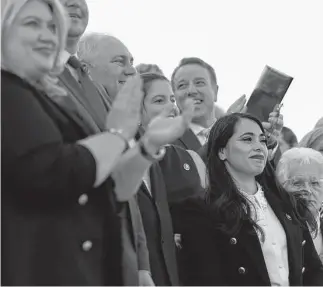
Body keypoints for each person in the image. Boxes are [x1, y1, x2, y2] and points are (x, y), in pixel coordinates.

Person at [1, 0, 195, 285]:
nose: (47, 35)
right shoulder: (7, 93)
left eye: (54, 27)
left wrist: (148, 145)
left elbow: (108, 189)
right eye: (32, 24)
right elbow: (57, 172)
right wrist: (116, 135)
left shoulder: (50, 99)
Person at [174, 113, 323, 285]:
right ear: (222, 151)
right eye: (247, 139)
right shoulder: (200, 209)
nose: (259, 147)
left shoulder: (287, 203)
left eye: (262, 140)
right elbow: (204, 279)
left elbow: (313, 270)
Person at [59, 4, 149, 285]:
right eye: (119, 61)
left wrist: (141, 262)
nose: (131, 70)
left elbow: (121, 182)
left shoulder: (94, 88)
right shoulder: (34, 75)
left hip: (120, 255)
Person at [276, 147, 323, 262]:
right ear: (281, 187)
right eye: (297, 183)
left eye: (315, 183)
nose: (308, 190)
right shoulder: (276, 230)